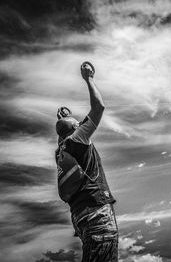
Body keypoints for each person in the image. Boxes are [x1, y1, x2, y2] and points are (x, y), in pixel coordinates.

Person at [55, 62, 118, 261]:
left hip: (80, 217)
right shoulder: (78, 138)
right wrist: (88, 78)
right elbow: (98, 107)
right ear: (75, 128)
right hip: (97, 215)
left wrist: (63, 119)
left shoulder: (60, 150)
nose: (81, 122)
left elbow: (65, 129)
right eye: (77, 123)